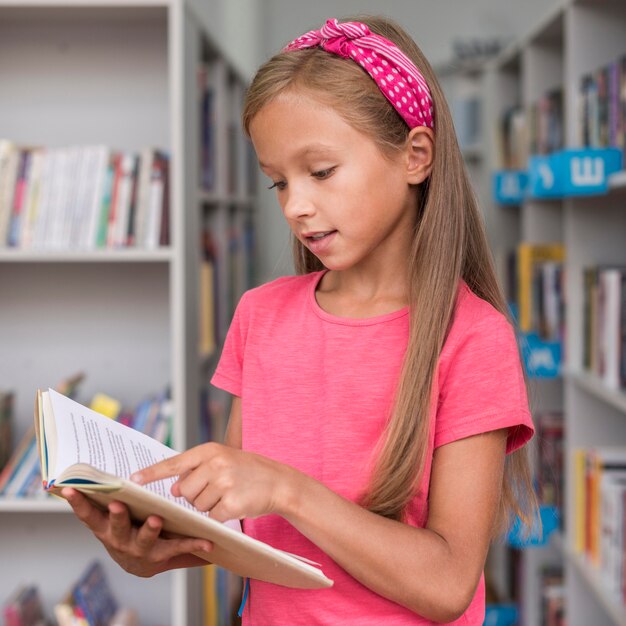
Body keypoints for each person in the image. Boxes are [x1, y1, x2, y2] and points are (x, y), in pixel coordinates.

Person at [63, 15, 536, 625]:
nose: (297, 205)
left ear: (416, 156)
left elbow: (448, 585)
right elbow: (238, 529)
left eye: (321, 172)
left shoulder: (473, 339)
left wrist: (287, 489)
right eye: (277, 183)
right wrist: (147, 548)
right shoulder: (262, 315)